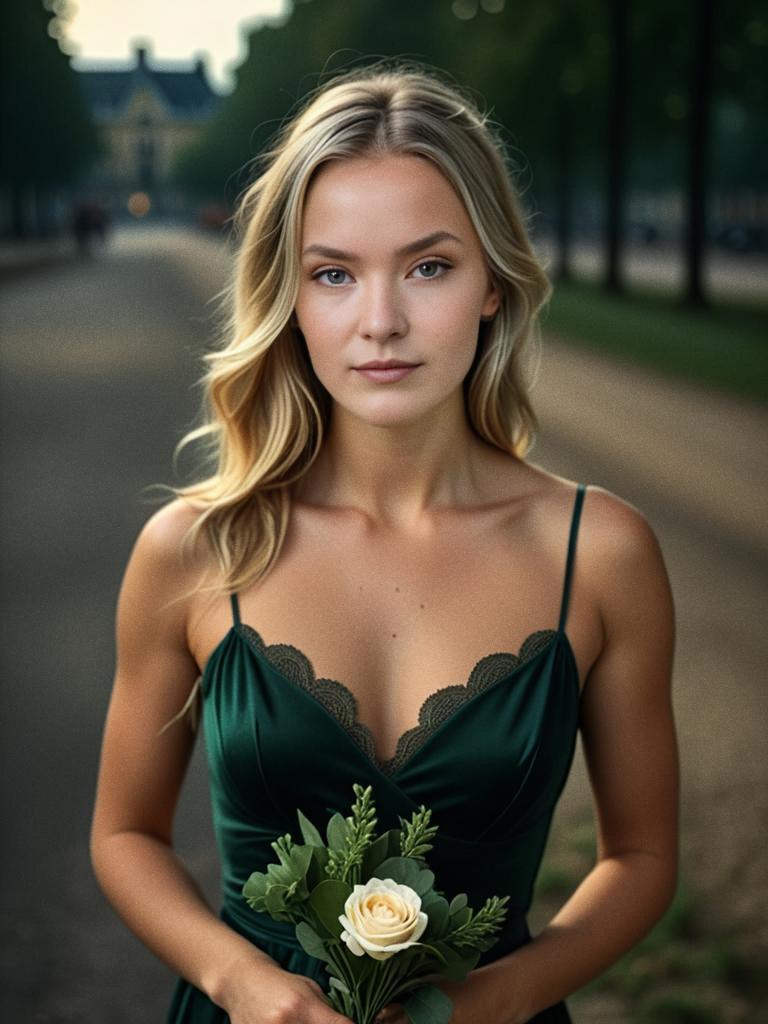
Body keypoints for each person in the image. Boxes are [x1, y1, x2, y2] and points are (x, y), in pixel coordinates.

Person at [90, 60, 678, 1024]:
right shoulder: (194, 549)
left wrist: (495, 1001)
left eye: (429, 266)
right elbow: (123, 834)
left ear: (492, 282)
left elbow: (645, 857)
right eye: (334, 274)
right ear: (291, 296)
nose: (382, 323)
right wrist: (245, 985)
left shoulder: (603, 552)